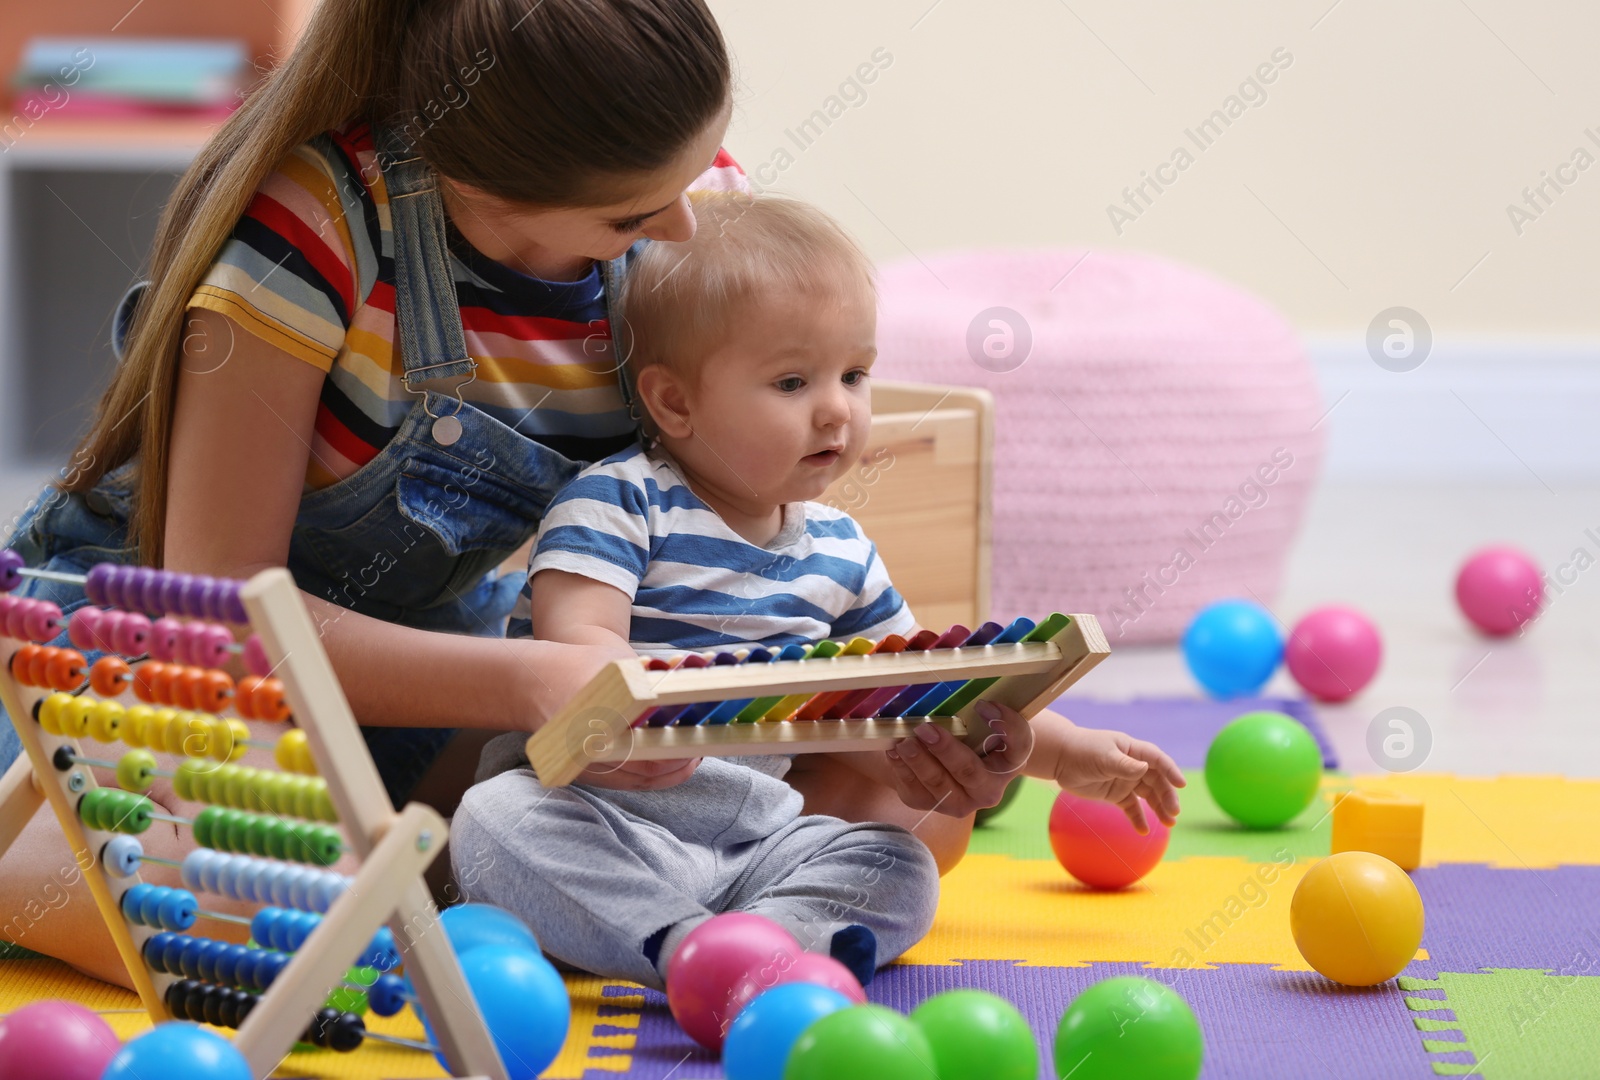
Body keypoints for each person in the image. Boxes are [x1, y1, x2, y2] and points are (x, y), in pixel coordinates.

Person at [0, 0, 1022, 987]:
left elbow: (743, 518)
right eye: (629, 213)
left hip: (432, 661)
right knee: (274, 939)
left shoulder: (680, 197)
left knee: (910, 811)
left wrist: (892, 724)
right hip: (163, 669)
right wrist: (538, 685)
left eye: (694, 169)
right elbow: (225, 614)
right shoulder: (318, 226)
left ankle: (663, 928)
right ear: (475, 182)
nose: (680, 221)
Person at [449, 194, 1185, 989]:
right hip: (600, 820)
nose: (837, 407)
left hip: (760, 840)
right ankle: (682, 949)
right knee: (493, 821)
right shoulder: (619, 501)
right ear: (676, 402)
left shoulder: (841, 550)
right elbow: (578, 641)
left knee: (896, 863)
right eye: (793, 381)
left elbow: (923, 695)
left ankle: (752, 945)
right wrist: (629, 701)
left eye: (855, 374)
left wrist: (1062, 750)